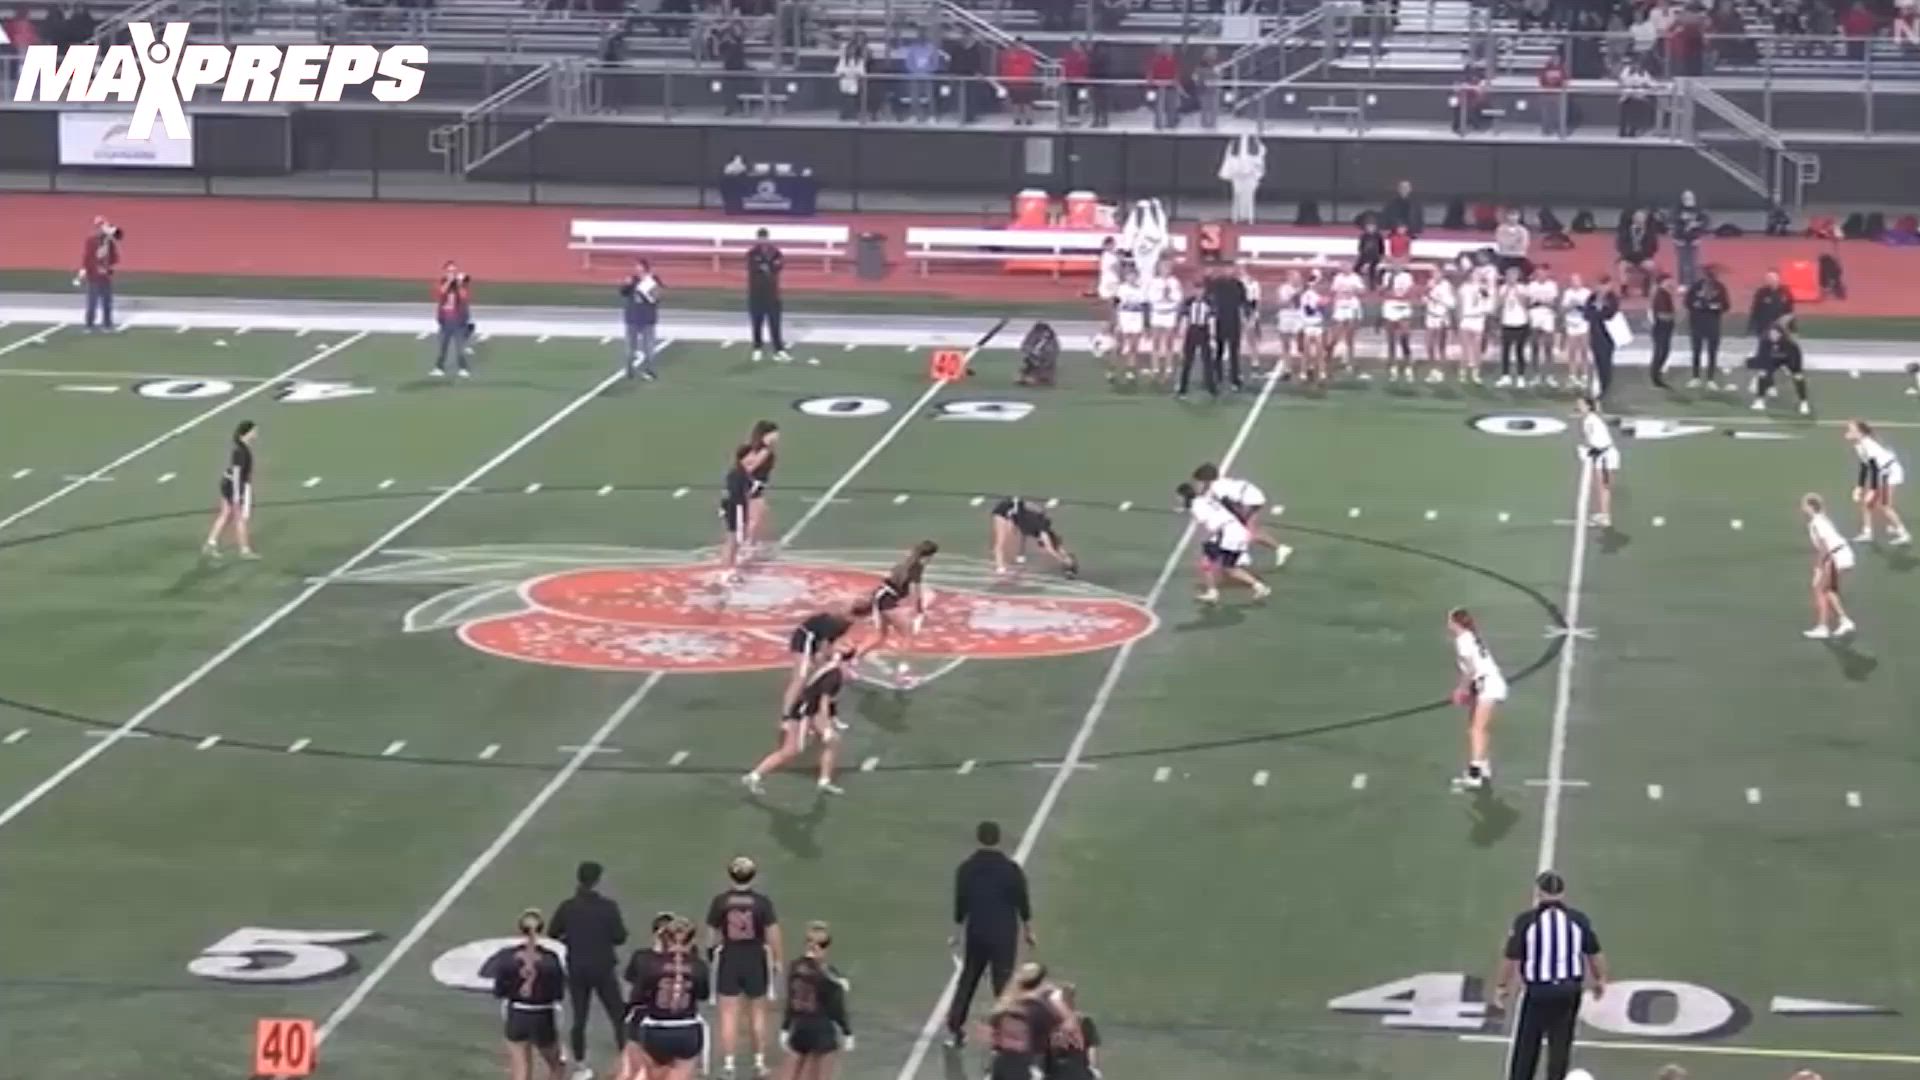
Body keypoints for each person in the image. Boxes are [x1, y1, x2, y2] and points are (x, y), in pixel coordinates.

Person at [1491, 871, 1608, 1080]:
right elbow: (1594, 953)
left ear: (1539, 893)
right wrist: (1600, 980)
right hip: (1568, 991)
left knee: (1526, 1046)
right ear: (1563, 893)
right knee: (1560, 1046)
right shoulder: (1577, 920)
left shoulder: (1526, 921)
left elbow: (1511, 957)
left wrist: (1501, 987)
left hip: (1538, 992)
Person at [944, 821, 1034, 1048]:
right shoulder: (1010, 869)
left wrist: (956, 932)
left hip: (977, 931)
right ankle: (1004, 1035)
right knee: (1003, 984)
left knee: (969, 978)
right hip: (1003, 933)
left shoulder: (966, 868)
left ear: (978, 838)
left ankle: (955, 1027)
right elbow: (1022, 901)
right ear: (998, 839)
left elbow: (961, 904)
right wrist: (1028, 930)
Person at [706, 857, 784, 1079]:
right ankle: (759, 1063)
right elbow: (773, 933)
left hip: (729, 958)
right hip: (756, 959)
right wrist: (777, 960)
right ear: (753, 876)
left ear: (730, 875)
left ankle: (729, 1065)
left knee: (728, 1014)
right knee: (758, 1013)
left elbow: (711, 935)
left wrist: (711, 955)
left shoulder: (720, 902)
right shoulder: (762, 903)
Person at [550, 862, 629, 1077]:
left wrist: (572, 939)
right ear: (598, 880)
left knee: (579, 1017)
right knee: (618, 1014)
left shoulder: (567, 907)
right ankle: (626, 1060)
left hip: (577, 967)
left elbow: (553, 933)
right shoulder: (608, 907)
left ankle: (581, 1065)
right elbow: (620, 937)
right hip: (603, 966)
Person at [744, 647, 851, 797]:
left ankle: (824, 781)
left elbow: (825, 700)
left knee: (833, 741)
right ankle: (754, 776)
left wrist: (831, 722)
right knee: (792, 750)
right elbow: (823, 704)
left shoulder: (830, 671)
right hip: (804, 712)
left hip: (810, 711)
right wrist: (826, 727)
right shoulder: (834, 676)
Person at [486, 909, 569, 1080]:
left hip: (517, 1015)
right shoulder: (551, 959)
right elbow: (558, 993)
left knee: (521, 1070)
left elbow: (499, 991)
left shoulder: (507, 957)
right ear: (541, 930)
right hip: (543, 1016)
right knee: (556, 1066)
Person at [628, 917, 711, 1080]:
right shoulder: (699, 965)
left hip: (655, 1030)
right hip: (687, 1030)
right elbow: (703, 995)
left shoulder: (649, 963)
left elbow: (638, 996)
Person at [777, 922, 853, 1080]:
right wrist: (847, 1032)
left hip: (799, 1027)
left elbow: (791, 999)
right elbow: (836, 1008)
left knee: (792, 1071)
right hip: (821, 1030)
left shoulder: (794, 967)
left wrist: (785, 1028)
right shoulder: (829, 974)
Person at [1177, 482, 1272, 603]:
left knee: (1207, 562)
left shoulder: (1196, 508)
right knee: (1230, 568)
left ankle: (1212, 592)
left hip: (1227, 534)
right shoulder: (1204, 499)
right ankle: (1260, 587)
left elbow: (1206, 522)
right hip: (1236, 530)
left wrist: (1210, 542)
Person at [1448, 607, 1505, 790]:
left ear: (1455, 623)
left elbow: (1471, 669)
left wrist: (1461, 689)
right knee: (1478, 727)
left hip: (1487, 685)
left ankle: (1475, 774)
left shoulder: (1463, 640)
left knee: (1476, 729)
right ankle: (1483, 765)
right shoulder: (1472, 637)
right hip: (1486, 684)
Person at [1193, 463, 1290, 565]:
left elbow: (1230, 505)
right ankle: (1279, 548)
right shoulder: (1219, 483)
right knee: (1247, 531)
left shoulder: (1217, 488)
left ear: (1206, 480)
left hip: (1251, 500)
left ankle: (1276, 549)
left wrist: (1241, 518)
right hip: (1252, 496)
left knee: (1249, 533)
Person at [867, 539, 938, 678]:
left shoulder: (908, 561)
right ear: (928, 556)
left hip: (881, 597)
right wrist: (917, 609)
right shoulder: (916, 567)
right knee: (907, 635)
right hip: (888, 601)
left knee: (880, 635)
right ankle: (902, 671)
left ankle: (852, 659)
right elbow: (914, 591)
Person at [1801, 493, 1858, 640]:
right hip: (1841, 554)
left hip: (1835, 556)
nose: (1802, 507)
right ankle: (1843, 621)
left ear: (1811, 507)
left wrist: (1818, 570)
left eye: (1805, 505)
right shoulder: (1820, 519)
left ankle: (1824, 627)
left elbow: (1824, 548)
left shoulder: (1816, 523)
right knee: (1827, 590)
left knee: (1820, 589)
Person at [1847, 420, 1911, 545]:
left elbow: (1875, 468)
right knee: (1867, 503)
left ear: (1860, 433)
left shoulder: (1867, 445)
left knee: (1885, 505)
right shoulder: (1859, 445)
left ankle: (1904, 533)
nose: (1848, 432)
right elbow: (1865, 467)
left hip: (1891, 472)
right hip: (1883, 472)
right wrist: (1859, 487)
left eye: (1851, 429)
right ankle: (1867, 533)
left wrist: (1872, 489)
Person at [203, 420, 258, 560]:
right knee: (240, 518)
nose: (256, 433)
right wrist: (237, 494)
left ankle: (210, 543)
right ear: (246, 433)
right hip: (235, 485)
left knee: (225, 513)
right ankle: (245, 550)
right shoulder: (241, 451)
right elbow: (237, 472)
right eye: (253, 431)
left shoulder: (241, 448)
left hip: (228, 483)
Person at [990, 497, 1079, 577]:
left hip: (1017, 510)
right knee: (1001, 541)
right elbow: (1050, 549)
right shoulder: (1042, 531)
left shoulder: (1042, 531)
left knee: (1010, 537)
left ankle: (1005, 563)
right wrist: (1062, 561)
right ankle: (1000, 568)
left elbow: (1056, 545)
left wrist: (1065, 556)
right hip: (1006, 509)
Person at [746, 228, 791, 364]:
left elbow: (778, 266)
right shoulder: (751, 253)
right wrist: (766, 267)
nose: (763, 240)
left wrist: (766, 266)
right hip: (756, 294)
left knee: (775, 323)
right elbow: (754, 268)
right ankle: (757, 348)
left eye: (765, 238)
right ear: (757, 239)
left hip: (772, 294)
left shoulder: (775, 253)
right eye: (760, 238)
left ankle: (779, 349)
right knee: (757, 323)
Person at [1575, 396, 1619, 527]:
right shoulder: (1590, 419)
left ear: (1588, 406)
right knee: (1599, 485)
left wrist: (1587, 452)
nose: (1578, 406)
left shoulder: (1590, 421)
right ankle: (1603, 513)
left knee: (1604, 486)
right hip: (1602, 454)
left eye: (1581, 404)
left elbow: (1597, 442)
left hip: (1606, 456)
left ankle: (1606, 516)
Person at [1750, 323, 1811, 416]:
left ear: (1780, 334)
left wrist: (1791, 370)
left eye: (1775, 334)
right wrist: (1765, 370)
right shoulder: (1764, 343)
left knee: (1798, 377)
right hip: (1773, 360)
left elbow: (1796, 360)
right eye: (1771, 334)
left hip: (1788, 360)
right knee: (1763, 373)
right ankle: (1760, 401)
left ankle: (1804, 402)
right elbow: (1762, 358)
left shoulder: (1790, 345)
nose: (1773, 336)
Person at [1685, 264, 1730, 389]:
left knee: (1712, 352)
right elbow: (1687, 302)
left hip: (1713, 324)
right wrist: (1697, 306)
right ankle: (1695, 377)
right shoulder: (1696, 286)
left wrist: (1715, 307)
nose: (1710, 276)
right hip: (1697, 323)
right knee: (1696, 351)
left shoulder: (1720, 288)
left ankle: (1710, 379)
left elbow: (1726, 305)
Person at [1206, 262, 1249, 390]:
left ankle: (1234, 379)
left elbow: (1244, 302)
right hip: (1220, 320)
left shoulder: (1238, 285)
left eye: (1231, 269)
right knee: (1219, 350)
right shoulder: (1216, 283)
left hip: (1234, 321)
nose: (1228, 271)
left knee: (1234, 351)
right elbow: (1207, 295)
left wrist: (1248, 315)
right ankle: (1218, 376)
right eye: (1226, 268)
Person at [619, 259, 663, 380]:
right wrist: (626, 285)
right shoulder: (632, 280)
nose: (637, 271)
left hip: (646, 318)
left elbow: (657, 297)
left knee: (648, 347)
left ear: (645, 269)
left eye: (639, 268)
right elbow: (623, 292)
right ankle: (629, 370)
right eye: (636, 268)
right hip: (633, 317)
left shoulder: (652, 280)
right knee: (631, 347)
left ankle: (648, 370)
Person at [718, 443, 756, 585]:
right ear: (743, 458)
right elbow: (734, 494)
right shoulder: (737, 474)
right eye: (750, 455)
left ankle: (730, 569)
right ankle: (726, 571)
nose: (753, 458)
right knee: (732, 541)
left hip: (736, 508)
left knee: (735, 541)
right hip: (736, 509)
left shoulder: (741, 472)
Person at [76, 216, 121, 332]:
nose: (103, 228)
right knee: (92, 302)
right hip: (94, 276)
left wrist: (109, 267)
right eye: (102, 226)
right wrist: (84, 269)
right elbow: (87, 257)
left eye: (105, 226)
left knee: (107, 302)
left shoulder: (109, 241)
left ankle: (107, 324)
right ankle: (89, 324)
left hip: (105, 276)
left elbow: (114, 256)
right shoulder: (91, 241)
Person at [741, 420, 779, 555]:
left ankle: (751, 543)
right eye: (774, 434)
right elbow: (749, 467)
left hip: (755, 486)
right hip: (755, 486)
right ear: (766, 434)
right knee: (755, 518)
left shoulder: (757, 448)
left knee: (759, 514)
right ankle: (747, 545)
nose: (777, 437)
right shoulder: (764, 451)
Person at [431, 260, 473, 377]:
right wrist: (449, 281)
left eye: (454, 270)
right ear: (445, 272)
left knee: (460, 348)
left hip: (458, 322)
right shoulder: (442, 282)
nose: (452, 272)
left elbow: (464, 297)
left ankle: (463, 368)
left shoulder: (460, 284)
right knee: (442, 347)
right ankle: (439, 368)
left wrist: (459, 283)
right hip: (445, 322)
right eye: (449, 270)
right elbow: (440, 293)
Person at [1746, 268, 1795, 367]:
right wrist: (1751, 326)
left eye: (1773, 278)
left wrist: (1793, 328)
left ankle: (1783, 362)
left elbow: (1790, 311)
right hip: (1764, 327)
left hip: (1781, 327)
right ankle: (1762, 362)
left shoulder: (1785, 292)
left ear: (1778, 279)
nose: (1771, 280)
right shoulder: (1761, 293)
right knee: (1764, 349)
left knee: (1782, 347)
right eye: (1768, 278)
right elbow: (1755, 310)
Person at [1584, 277, 1622, 399]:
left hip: (1608, 335)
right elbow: (1586, 313)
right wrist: (1596, 313)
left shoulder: (1612, 298)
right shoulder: (1592, 297)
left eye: (1605, 285)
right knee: (1597, 361)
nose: (1602, 288)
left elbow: (1610, 313)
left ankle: (1606, 388)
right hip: (1595, 333)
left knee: (1606, 362)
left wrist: (1597, 313)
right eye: (1600, 285)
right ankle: (1599, 385)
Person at [1381, 262, 1417, 382]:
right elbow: (1384, 292)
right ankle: (1393, 366)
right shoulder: (1387, 276)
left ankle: (1408, 365)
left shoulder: (1407, 277)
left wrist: (1402, 296)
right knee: (1391, 339)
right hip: (1390, 308)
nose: (1396, 265)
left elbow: (1411, 291)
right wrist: (1388, 290)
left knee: (1404, 337)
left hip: (1403, 308)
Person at [1496, 267, 1531, 388]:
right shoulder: (1503, 288)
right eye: (1508, 275)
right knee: (1505, 350)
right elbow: (1499, 304)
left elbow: (1526, 304)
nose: (1511, 278)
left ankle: (1520, 376)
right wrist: (1506, 292)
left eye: (1513, 275)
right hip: (1507, 322)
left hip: (1520, 322)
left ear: (1517, 277)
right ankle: (1505, 376)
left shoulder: (1523, 288)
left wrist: (1516, 292)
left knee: (1519, 350)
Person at [1559, 274, 1592, 393]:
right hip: (1571, 324)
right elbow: (1562, 309)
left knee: (1584, 350)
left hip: (1583, 324)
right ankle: (1572, 376)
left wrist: (1581, 306)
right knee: (1572, 351)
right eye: (1573, 281)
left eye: (1577, 281)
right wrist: (1571, 306)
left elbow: (1590, 309)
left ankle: (1584, 376)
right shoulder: (1568, 293)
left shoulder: (1587, 293)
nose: (1575, 283)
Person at [1647, 273, 1679, 388]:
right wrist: (1673, 316)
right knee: (1661, 352)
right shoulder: (1661, 295)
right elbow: (1661, 314)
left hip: (1664, 328)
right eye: (1669, 281)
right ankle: (1656, 376)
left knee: (1663, 351)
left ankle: (1657, 375)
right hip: (1661, 328)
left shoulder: (1664, 294)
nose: (1671, 284)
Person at [1672, 190, 1710, 286]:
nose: (1689, 200)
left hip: (1693, 240)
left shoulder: (1698, 210)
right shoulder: (1677, 210)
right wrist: (1676, 238)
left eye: (1690, 198)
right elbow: (1674, 223)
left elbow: (1705, 222)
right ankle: (1682, 283)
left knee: (1693, 263)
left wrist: (1697, 228)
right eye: (1686, 198)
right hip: (1680, 240)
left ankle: (1694, 284)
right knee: (1682, 263)